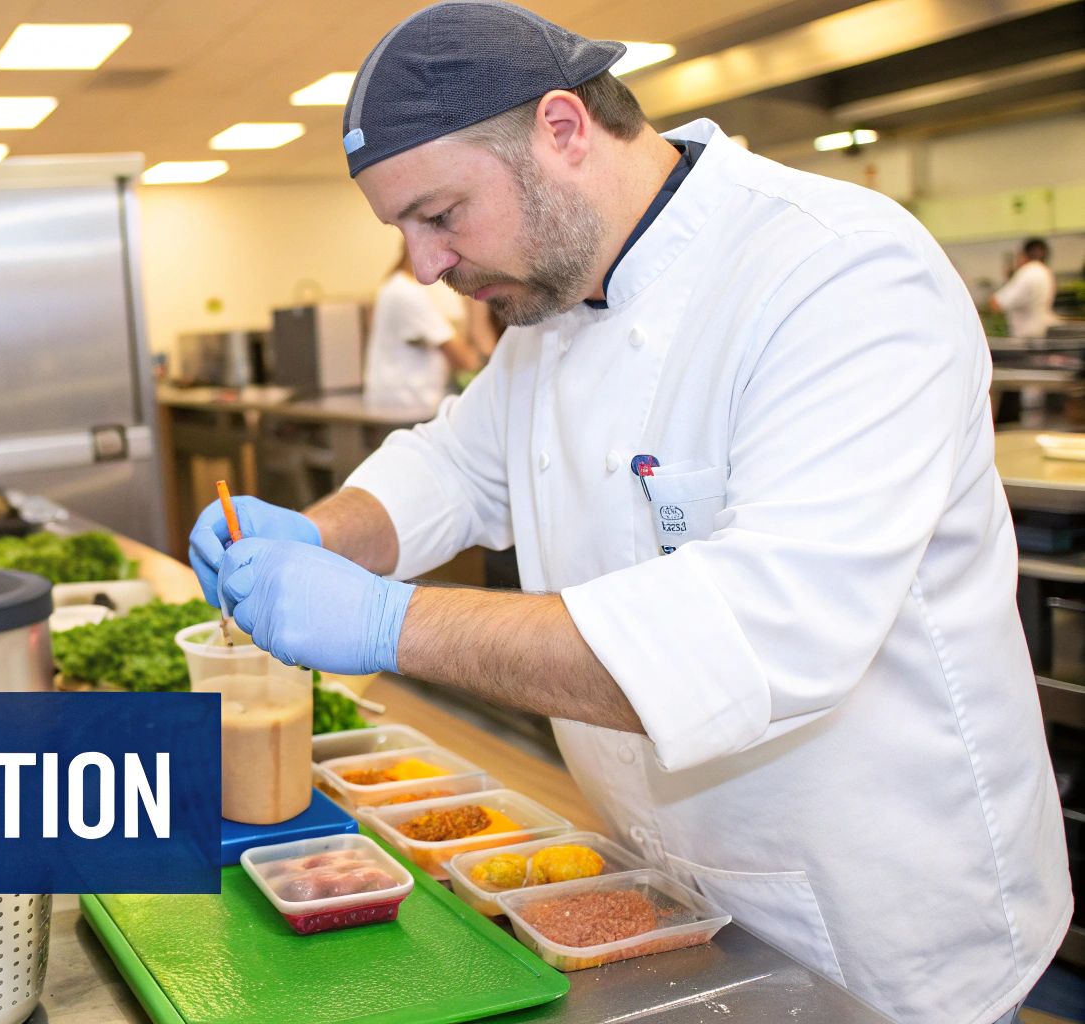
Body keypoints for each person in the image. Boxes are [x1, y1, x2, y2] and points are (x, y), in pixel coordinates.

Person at [187, 4, 1068, 1022]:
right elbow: (455, 467)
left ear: (561, 130)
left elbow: (762, 631)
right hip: (659, 889)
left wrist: (386, 621)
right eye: (402, 231)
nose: (424, 267)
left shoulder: (836, 272)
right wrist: (320, 532)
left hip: (877, 912)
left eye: (439, 215)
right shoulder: (552, 301)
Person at [364, 246, 479, 407]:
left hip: (395, 400)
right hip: (407, 403)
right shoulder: (406, 293)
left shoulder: (393, 287)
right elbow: (464, 359)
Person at [990, 237, 1057, 338]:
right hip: (1042, 333)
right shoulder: (1045, 272)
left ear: (1024, 255)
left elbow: (996, 303)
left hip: (1027, 339)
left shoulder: (1028, 272)